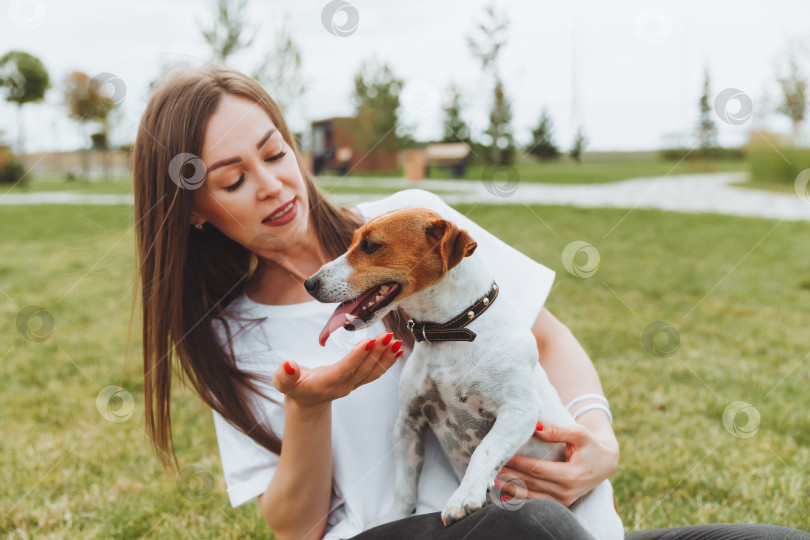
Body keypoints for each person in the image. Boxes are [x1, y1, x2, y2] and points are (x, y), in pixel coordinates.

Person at [132, 63, 809, 540]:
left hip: (540, 527)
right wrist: (309, 407)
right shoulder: (231, 335)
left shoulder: (412, 224)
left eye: (275, 153)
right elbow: (295, 526)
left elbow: (544, 338)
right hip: (406, 533)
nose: (272, 186)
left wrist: (599, 437)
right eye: (232, 179)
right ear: (193, 208)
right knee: (530, 528)